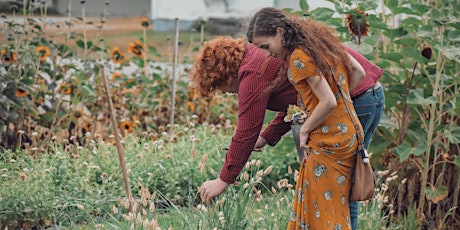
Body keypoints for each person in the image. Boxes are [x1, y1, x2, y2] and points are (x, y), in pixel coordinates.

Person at [247, 7, 366, 229]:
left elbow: (328, 102)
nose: (265, 54)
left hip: (328, 138)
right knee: (334, 205)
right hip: (348, 133)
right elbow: (359, 71)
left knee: (323, 210)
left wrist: (305, 129)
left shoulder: (299, 57)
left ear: (281, 33)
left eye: (266, 46)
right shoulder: (321, 44)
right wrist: (342, 100)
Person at [190, 36, 298, 202]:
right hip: (340, 93)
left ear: (226, 75)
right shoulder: (253, 57)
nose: (223, 91)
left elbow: (246, 130)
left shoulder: (252, 73)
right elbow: (294, 103)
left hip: (344, 97)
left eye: (219, 85)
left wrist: (223, 180)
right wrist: (265, 137)